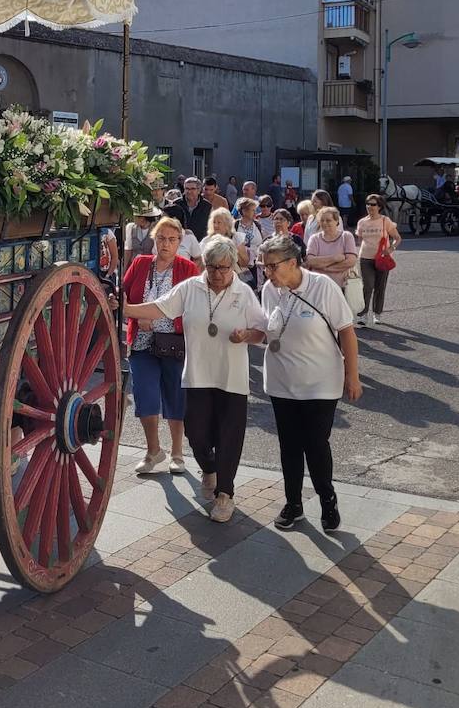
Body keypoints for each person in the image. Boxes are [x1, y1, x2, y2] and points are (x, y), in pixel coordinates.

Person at [121, 235, 266, 523]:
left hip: (231, 379)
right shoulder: (191, 287)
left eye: (225, 268)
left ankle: (225, 495)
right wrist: (126, 309)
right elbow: (160, 308)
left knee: (229, 437)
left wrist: (246, 336)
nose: (218, 274)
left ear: (233, 267)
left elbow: (261, 330)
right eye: (213, 267)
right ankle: (209, 468)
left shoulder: (243, 292)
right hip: (197, 376)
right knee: (196, 434)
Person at [256, 236, 361, 532]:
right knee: (289, 445)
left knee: (315, 444)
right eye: (264, 266)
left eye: (272, 266)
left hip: (320, 382)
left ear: (292, 262)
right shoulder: (270, 290)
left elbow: (347, 333)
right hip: (281, 382)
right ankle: (293, 503)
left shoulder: (322, 286)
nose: (268, 272)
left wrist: (352, 375)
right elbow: (268, 330)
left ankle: (327, 500)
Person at [121, 217, 201, 476]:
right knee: (145, 396)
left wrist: (155, 317)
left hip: (174, 344)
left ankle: (177, 453)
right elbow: (123, 294)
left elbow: (193, 307)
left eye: (171, 239)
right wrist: (136, 316)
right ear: (154, 240)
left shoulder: (188, 269)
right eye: (161, 238)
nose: (165, 244)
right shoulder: (140, 263)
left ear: (180, 242)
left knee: (175, 397)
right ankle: (153, 451)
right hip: (143, 344)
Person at [355, 194, 401, 326]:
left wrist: (391, 249)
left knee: (380, 287)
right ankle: (363, 314)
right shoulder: (362, 222)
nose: (370, 207)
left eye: (373, 204)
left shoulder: (385, 221)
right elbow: (360, 239)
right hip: (366, 258)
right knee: (367, 286)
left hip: (382, 258)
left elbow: (397, 238)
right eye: (368, 204)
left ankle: (377, 313)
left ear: (379, 206)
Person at [304, 206, 359, 291]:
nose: (325, 223)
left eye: (328, 220)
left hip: (342, 286)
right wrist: (334, 258)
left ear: (336, 221)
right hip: (318, 287)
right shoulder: (314, 239)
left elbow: (351, 261)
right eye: (322, 220)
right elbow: (311, 261)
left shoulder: (346, 236)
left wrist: (325, 268)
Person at [167, 177, 212, 241]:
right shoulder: (176, 204)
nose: (189, 191)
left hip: (200, 243)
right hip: (179, 242)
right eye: (187, 189)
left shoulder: (207, 206)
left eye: (193, 189)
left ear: (199, 190)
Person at [124, 204, 165, 272]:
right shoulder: (130, 228)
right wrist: (124, 270)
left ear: (142, 218)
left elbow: (156, 252)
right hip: (134, 267)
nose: (133, 218)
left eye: (135, 216)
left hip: (149, 267)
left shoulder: (156, 229)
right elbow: (128, 250)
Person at [231, 201, 262, 287]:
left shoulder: (257, 224)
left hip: (256, 264)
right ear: (244, 211)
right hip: (240, 265)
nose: (255, 212)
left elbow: (262, 242)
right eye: (252, 210)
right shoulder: (235, 225)